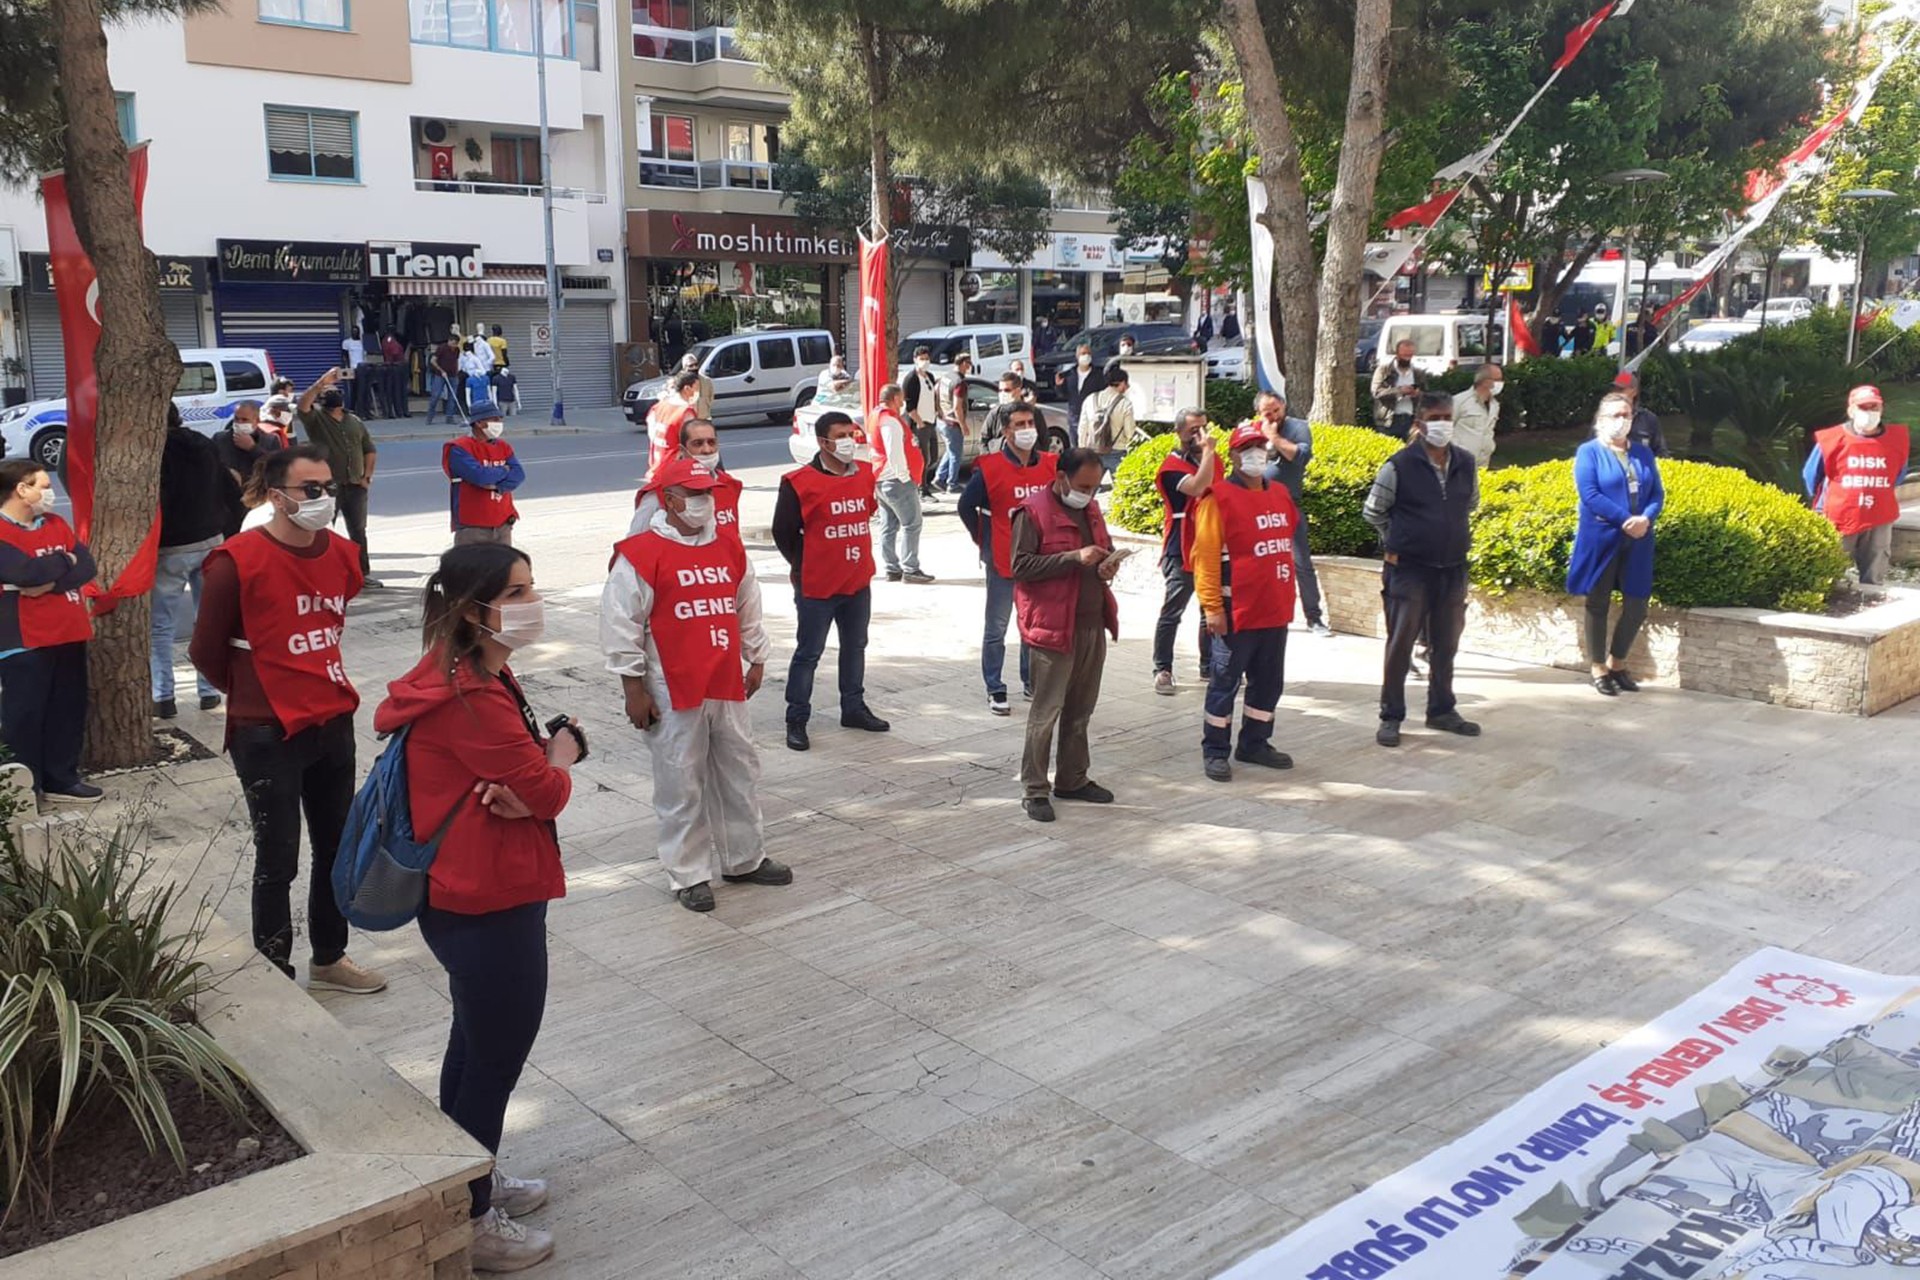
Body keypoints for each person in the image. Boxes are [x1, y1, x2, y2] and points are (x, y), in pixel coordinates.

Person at [373, 543, 576, 1272]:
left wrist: (533, 774)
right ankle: (471, 1216)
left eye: (532, 584)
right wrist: (562, 752)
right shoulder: (472, 699)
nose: (532, 601)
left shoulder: (468, 671)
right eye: (516, 591)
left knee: (474, 1043)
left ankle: (469, 1178)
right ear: (470, 610)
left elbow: (527, 785)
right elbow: (548, 789)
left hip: (471, 890)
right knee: (495, 1056)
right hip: (487, 898)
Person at [189, 445, 386, 993]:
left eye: (329, 486)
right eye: (311, 490)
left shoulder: (344, 554)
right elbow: (206, 650)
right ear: (277, 497)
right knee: (277, 859)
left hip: (332, 719)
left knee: (336, 845)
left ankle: (330, 957)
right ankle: (273, 969)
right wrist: (256, 691)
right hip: (266, 729)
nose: (325, 498)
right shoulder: (237, 559)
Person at [604, 458, 788, 914]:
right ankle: (688, 874)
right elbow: (620, 623)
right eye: (694, 494)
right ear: (668, 500)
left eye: (708, 493)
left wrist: (757, 656)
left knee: (739, 770)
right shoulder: (641, 554)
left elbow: (748, 604)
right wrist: (634, 688)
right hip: (671, 684)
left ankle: (745, 858)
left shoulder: (728, 547)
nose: (705, 502)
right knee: (680, 780)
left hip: (724, 678)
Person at [1363, 392, 1482, 747]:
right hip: (1409, 570)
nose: (1442, 424)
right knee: (1401, 644)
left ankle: (1442, 709)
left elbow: (1470, 503)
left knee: (1446, 643)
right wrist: (1400, 539)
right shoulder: (1398, 466)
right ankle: (1391, 715)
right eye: (1435, 417)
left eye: (1447, 416)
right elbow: (1374, 511)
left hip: (1453, 569)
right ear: (1419, 424)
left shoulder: (1466, 463)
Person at [1011, 447, 1120, 823]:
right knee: (1047, 712)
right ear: (1061, 477)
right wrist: (1073, 558)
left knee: (1080, 710)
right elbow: (1020, 565)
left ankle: (1073, 778)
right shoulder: (1033, 511)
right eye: (1083, 485)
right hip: (1053, 626)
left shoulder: (1090, 507)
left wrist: (1107, 566)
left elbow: (1100, 550)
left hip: (1091, 621)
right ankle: (1035, 789)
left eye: (1094, 487)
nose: (1089, 493)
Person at [771, 410, 891, 751]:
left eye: (851, 435)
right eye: (840, 436)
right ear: (823, 442)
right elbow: (783, 531)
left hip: (857, 581)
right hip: (817, 586)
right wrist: (805, 561)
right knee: (809, 652)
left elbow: (865, 512)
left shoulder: (865, 474)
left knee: (855, 647)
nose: (848, 442)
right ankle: (797, 718)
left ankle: (853, 707)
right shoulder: (798, 482)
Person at [1193, 423, 1299, 781]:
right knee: (1225, 683)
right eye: (1245, 449)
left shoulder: (1281, 494)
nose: (1254, 454)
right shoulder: (1216, 498)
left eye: (1259, 447)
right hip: (1234, 612)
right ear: (1233, 456)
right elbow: (1205, 558)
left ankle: (1255, 743)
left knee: (1269, 683)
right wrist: (1212, 608)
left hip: (1274, 608)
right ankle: (1216, 750)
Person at [0, 460, 101, 806]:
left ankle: (62, 778)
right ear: (21, 490)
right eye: (42, 486)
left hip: (69, 631)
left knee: (67, 709)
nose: (50, 492)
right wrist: (64, 563)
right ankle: (23, 787)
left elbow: (87, 564)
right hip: (22, 639)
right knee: (24, 715)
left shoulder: (56, 523)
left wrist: (50, 582)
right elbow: (24, 571)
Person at [959, 401, 1058, 715]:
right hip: (1003, 559)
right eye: (1019, 424)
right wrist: (982, 539)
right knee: (997, 628)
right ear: (1006, 431)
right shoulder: (989, 469)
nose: (1027, 429)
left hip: (1039, 562)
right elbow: (965, 506)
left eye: (1030, 423)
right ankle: (995, 687)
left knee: (1033, 625)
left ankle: (1031, 681)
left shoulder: (1050, 465)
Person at [1570, 392, 1664, 695]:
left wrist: (1645, 519)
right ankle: (1598, 667)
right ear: (1601, 419)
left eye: (1627, 415)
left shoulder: (1642, 454)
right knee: (1598, 603)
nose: (1622, 421)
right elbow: (1591, 494)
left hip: (1639, 539)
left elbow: (1656, 494)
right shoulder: (1589, 452)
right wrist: (1625, 519)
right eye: (1616, 415)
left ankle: (1618, 663)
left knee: (1637, 605)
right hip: (1603, 537)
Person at [153, 402, 236, 718]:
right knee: (207, 619)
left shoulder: (153, 452)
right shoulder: (203, 444)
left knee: (160, 626)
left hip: (169, 547)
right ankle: (209, 690)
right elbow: (227, 487)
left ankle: (163, 696)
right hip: (210, 540)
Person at [1806, 384, 1909, 587]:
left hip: (1879, 515)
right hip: (1839, 516)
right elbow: (1812, 476)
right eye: (1863, 407)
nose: (1869, 412)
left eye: (1874, 407)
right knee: (1830, 571)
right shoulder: (1832, 439)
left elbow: (1898, 474)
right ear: (1851, 410)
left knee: (1875, 571)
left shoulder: (1896, 441)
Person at [1151, 408, 1218, 695]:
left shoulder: (1212, 461)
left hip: (1209, 543)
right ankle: (1162, 668)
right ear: (1179, 433)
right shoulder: (1171, 467)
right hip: (1181, 546)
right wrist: (1209, 454)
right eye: (1193, 429)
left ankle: (1209, 666)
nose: (1200, 434)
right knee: (1173, 609)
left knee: (1209, 610)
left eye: (1203, 427)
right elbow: (1198, 486)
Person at [297, 368, 381, 587]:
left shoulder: (354, 420)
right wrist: (320, 383)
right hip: (328, 487)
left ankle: (362, 574)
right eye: (328, 391)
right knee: (322, 531)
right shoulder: (316, 419)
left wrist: (367, 476)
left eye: (334, 390)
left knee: (358, 532)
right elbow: (302, 405)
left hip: (355, 484)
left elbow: (369, 449)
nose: (331, 393)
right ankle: (321, 575)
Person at [1256, 390, 1330, 636]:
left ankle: (1314, 617)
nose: (1274, 415)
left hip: (1288, 506)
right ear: (1259, 413)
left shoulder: (1298, 428)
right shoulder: (1253, 429)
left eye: (1277, 410)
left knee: (1301, 562)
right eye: (1268, 412)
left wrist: (1274, 437)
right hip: (1257, 506)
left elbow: (1299, 457)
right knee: (1258, 562)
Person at [630, 418, 742, 539]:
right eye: (698, 444)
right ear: (683, 450)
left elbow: (734, 537)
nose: (707, 450)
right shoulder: (659, 493)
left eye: (711, 442)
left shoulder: (729, 485)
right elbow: (635, 544)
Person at [867, 383, 933, 585]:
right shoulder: (890, 422)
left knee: (889, 525)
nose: (904, 402)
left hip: (881, 479)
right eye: (902, 398)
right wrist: (905, 477)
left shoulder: (875, 416)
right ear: (895, 399)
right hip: (896, 481)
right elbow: (894, 452)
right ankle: (910, 568)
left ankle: (892, 568)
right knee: (912, 524)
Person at [443, 400, 525, 546]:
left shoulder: (503, 446)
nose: (499, 422)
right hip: (472, 526)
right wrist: (504, 470)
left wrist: (495, 486)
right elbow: (480, 476)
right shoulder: (459, 448)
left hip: (502, 522)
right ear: (479, 423)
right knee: (471, 568)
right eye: (494, 419)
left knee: (502, 567)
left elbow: (518, 475)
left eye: (500, 419)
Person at [645, 371, 702, 483]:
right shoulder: (685, 412)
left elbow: (651, 433)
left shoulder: (659, 406)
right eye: (697, 388)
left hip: (657, 465)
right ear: (687, 389)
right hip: (675, 470)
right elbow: (693, 445)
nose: (698, 392)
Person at [1080, 365, 1137, 470]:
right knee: (1120, 485)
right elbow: (1130, 432)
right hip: (1117, 450)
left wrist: (1082, 449)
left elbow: (1083, 427)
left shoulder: (1090, 399)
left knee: (1090, 485)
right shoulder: (1125, 403)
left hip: (1093, 450)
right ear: (1123, 383)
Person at [903, 346, 941, 500]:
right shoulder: (911, 379)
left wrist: (939, 413)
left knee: (933, 456)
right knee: (922, 458)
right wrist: (918, 422)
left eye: (927, 358)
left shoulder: (929, 377)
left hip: (931, 421)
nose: (925, 362)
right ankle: (922, 488)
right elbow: (909, 404)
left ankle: (923, 483)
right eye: (921, 359)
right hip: (920, 424)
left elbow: (933, 398)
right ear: (915, 360)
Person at [215, 400, 281, 490]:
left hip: (257, 494)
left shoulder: (270, 440)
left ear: (257, 420)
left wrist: (252, 448)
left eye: (244, 420)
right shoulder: (220, 438)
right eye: (236, 419)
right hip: (226, 493)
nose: (239, 423)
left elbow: (276, 468)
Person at [932, 352, 973, 495]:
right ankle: (952, 483)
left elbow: (936, 394)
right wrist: (963, 425)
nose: (970, 367)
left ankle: (939, 477)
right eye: (968, 363)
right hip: (952, 422)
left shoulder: (945, 377)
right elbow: (957, 406)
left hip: (942, 419)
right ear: (963, 364)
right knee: (956, 454)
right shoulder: (959, 383)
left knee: (951, 451)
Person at [1451, 363, 1503, 472]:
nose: (1501, 383)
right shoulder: (1459, 401)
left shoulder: (1495, 405)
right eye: (1497, 379)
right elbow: (1445, 429)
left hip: (1483, 463)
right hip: (1459, 463)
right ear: (1484, 381)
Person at [1370, 339, 1426, 438]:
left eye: (1410, 355)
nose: (1407, 359)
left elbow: (1426, 396)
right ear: (1397, 354)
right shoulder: (1384, 371)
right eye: (1404, 355)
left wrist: (1417, 394)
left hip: (1410, 419)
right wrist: (1399, 391)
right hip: (1389, 420)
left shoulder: (1417, 373)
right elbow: (1376, 392)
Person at [1610, 372, 1671, 457]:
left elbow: (1661, 453)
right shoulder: (1604, 417)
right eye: (1615, 389)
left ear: (1634, 391)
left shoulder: (1649, 420)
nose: (1617, 393)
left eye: (1621, 389)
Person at [1056, 341, 1107, 428]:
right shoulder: (1070, 374)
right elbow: (1062, 395)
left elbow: (1103, 395)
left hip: (1091, 418)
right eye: (1083, 353)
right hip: (1074, 418)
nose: (1086, 356)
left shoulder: (1098, 375)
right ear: (1077, 356)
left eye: (1088, 353)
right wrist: (1059, 386)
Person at [429, 334, 464, 423]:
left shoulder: (457, 350)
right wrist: (441, 370)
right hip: (440, 375)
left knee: (453, 396)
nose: (454, 346)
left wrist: (457, 372)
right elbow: (433, 361)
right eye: (453, 343)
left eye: (456, 344)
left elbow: (456, 361)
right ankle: (431, 414)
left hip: (453, 375)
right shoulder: (442, 348)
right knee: (436, 395)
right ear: (449, 341)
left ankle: (449, 417)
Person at [677, 351, 715, 421]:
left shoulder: (706, 381)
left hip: (704, 419)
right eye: (691, 366)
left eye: (696, 364)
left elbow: (711, 398)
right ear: (684, 368)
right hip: (688, 421)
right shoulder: (679, 383)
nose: (694, 367)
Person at [381, 331, 411, 419]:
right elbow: (394, 352)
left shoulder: (390, 339)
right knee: (398, 390)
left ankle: (401, 411)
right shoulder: (389, 340)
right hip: (395, 366)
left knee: (399, 390)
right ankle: (400, 411)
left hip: (396, 366)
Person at [460, 336, 493, 410]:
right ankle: (466, 409)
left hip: (475, 378)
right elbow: (461, 367)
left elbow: (482, 370)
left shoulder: (476, 358)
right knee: (465, 394)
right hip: (466, 378)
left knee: (476, 395)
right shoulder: (462, 357)